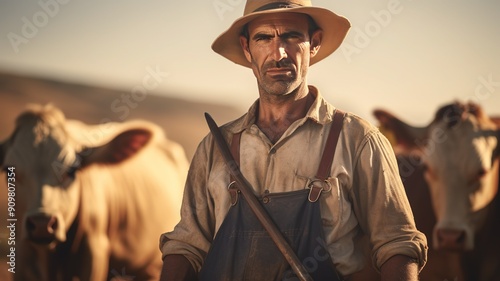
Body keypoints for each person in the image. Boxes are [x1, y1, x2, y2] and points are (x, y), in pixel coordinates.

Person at [159, 1, 428, 280]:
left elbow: (397, 244)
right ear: (246, 47)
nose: (279, 53)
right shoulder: (215, 146)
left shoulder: (358, 140)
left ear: (314, 43)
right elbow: (186, 245)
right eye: (263, 37)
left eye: (292, 36)